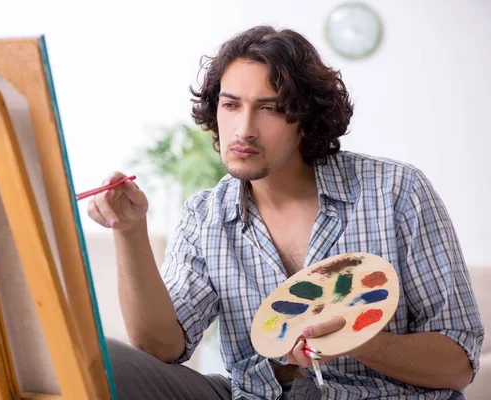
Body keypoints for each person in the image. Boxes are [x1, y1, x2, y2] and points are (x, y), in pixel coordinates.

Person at [87, 25, 484, 400]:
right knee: (102, 361)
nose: (244, 129)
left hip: (379, 394)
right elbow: (161, 347)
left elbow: (457, 364)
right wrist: (129, 230)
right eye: (230, 105)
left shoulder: (396, 191)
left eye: (270, 109)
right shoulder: (206, 216)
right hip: (254, 393)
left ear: (306, 121)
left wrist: (359, 340)